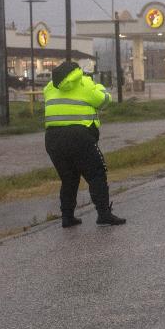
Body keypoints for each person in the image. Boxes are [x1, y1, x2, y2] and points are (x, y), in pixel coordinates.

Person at [43, 61, 126, 227]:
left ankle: (67, 217)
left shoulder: (50, 87)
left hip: (52, 139)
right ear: (77, 72)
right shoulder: (85, 83)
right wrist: (100, 87)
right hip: (79, 137)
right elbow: (104, 101)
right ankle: (103, 214)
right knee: (96, 174)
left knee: (69, 178)